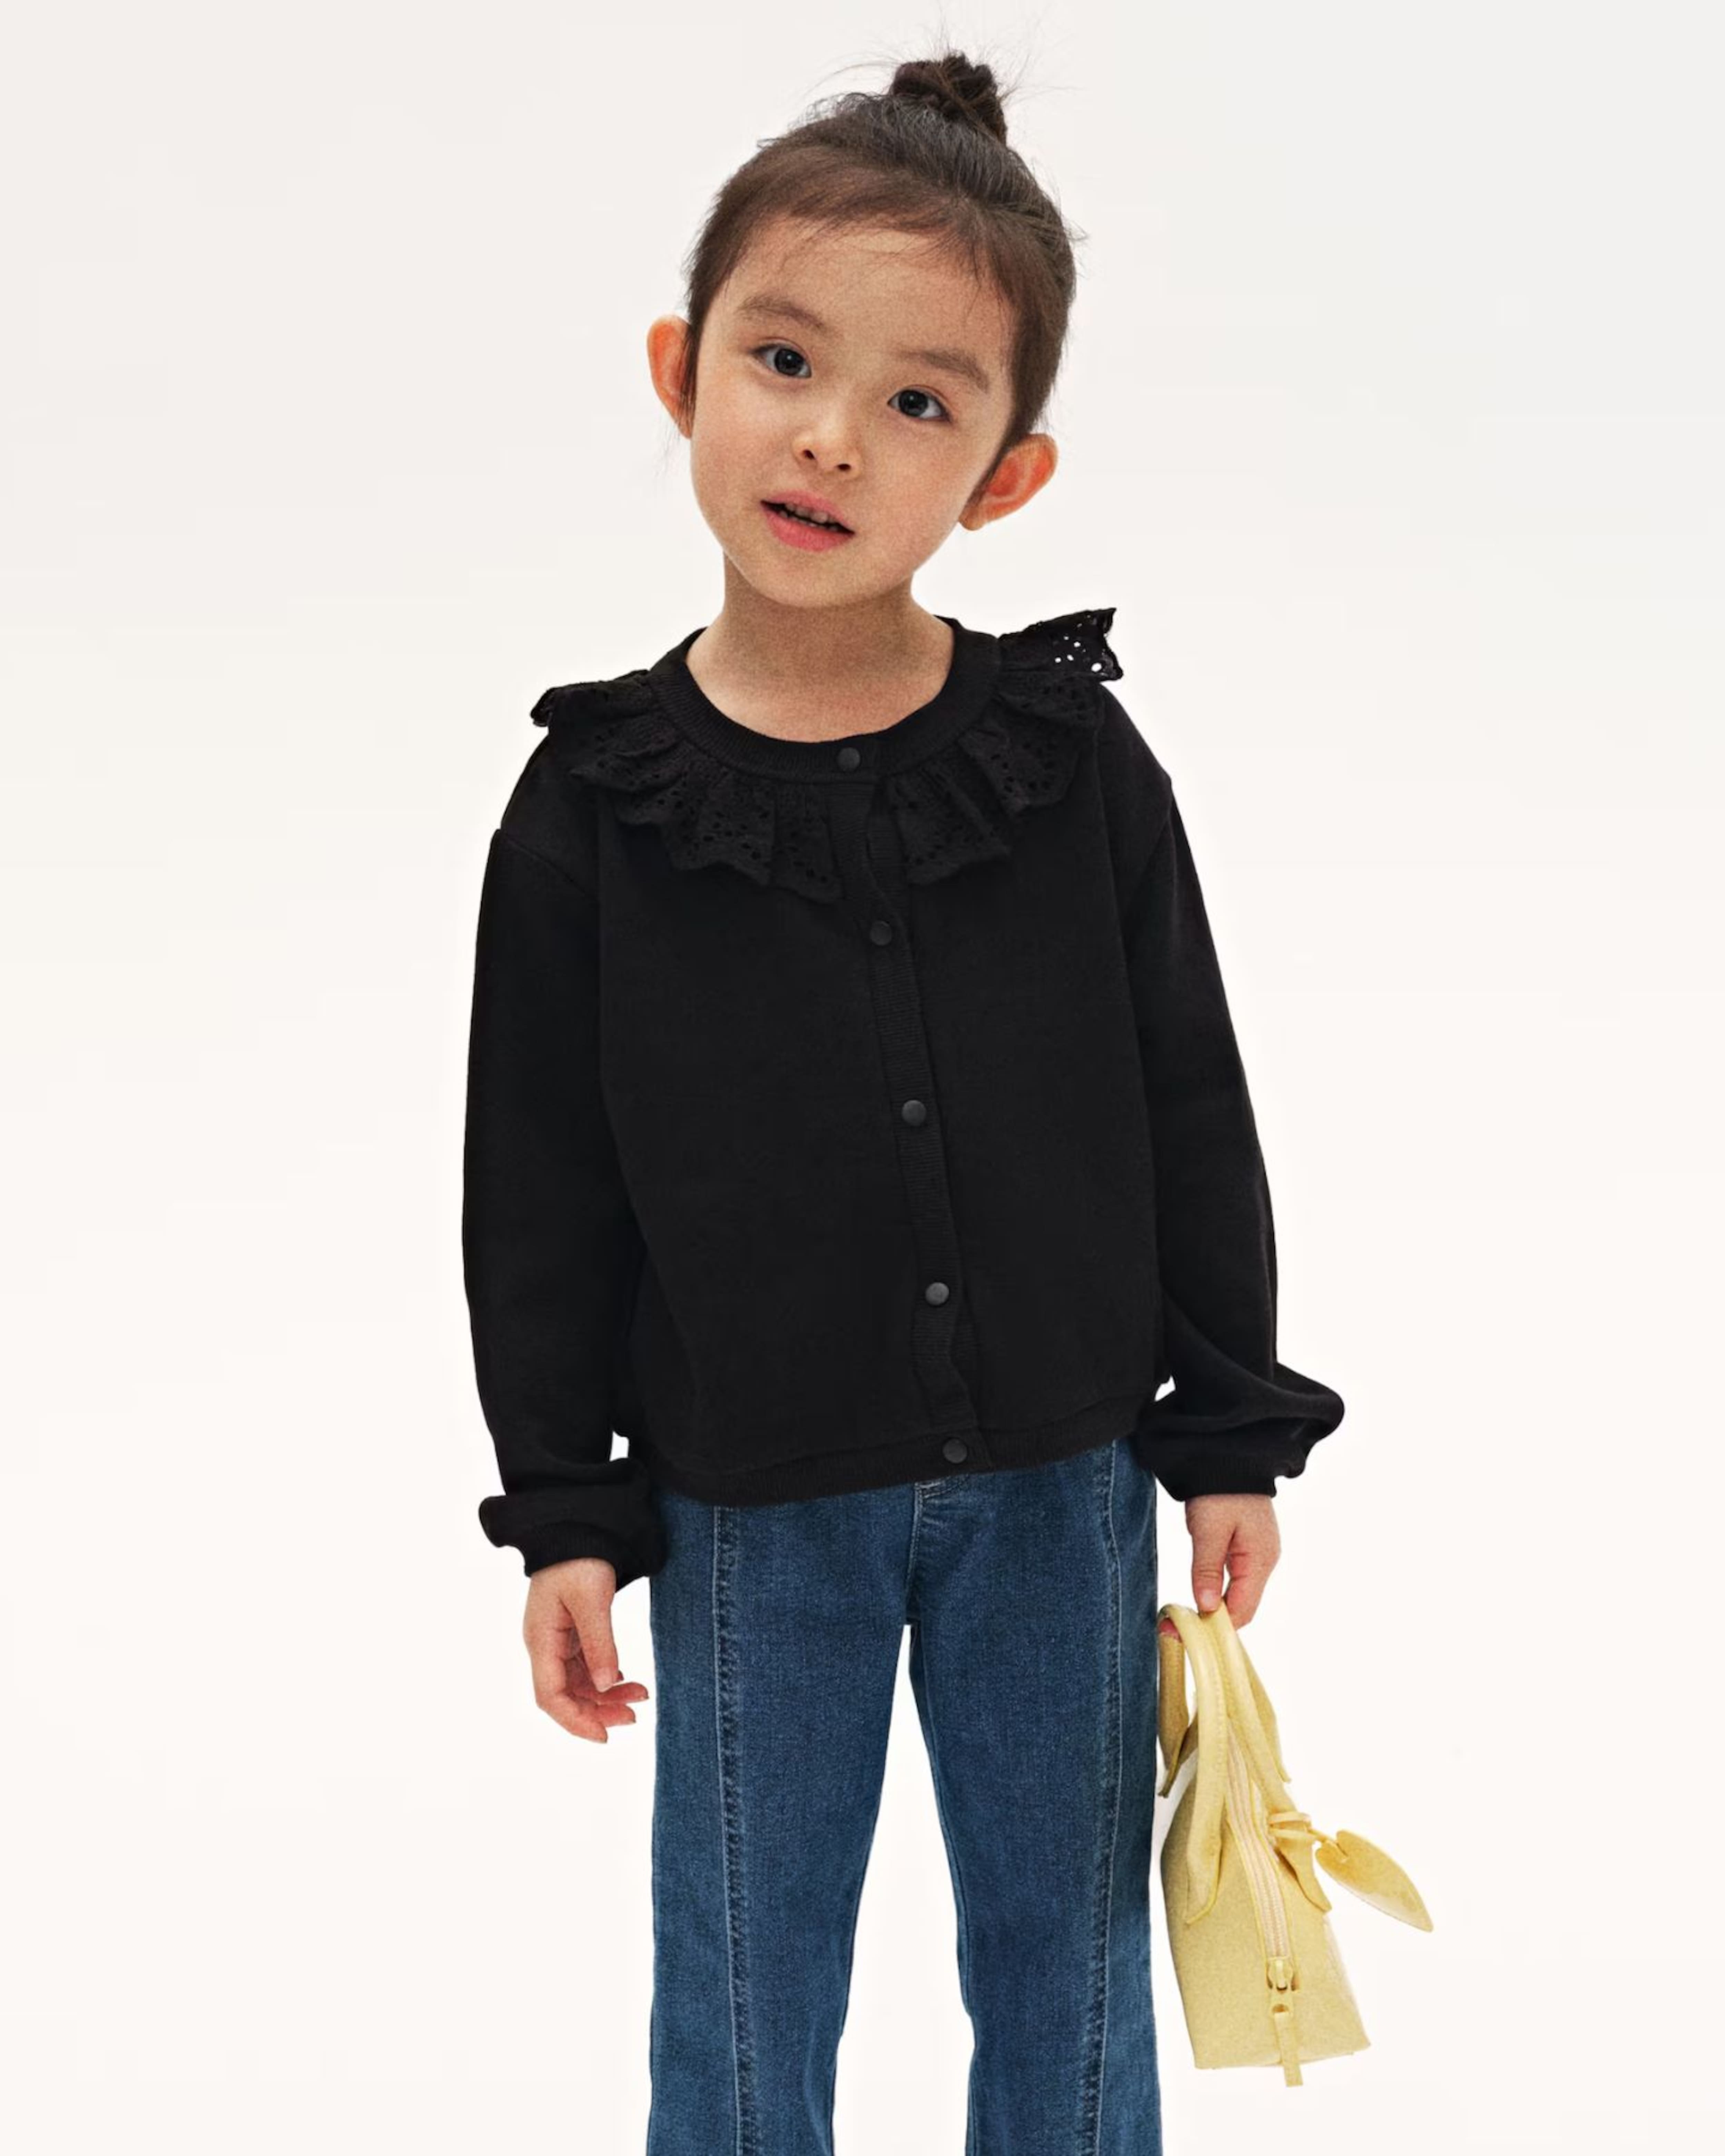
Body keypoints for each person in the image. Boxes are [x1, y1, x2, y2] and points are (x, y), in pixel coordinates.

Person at [461, 46, 1345, 2156]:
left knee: (1069, 1976)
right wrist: (567, 1509)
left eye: (920, 402)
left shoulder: (1069, 767)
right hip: (751, 1507)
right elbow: (536, 1189)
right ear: (681, 370)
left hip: (1061, 1488)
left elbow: (1188, 1094)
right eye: (781, 360)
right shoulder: (597, 806)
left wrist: (1228, 1428)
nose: (831, 437)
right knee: (746, 1983)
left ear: (1006, 479)